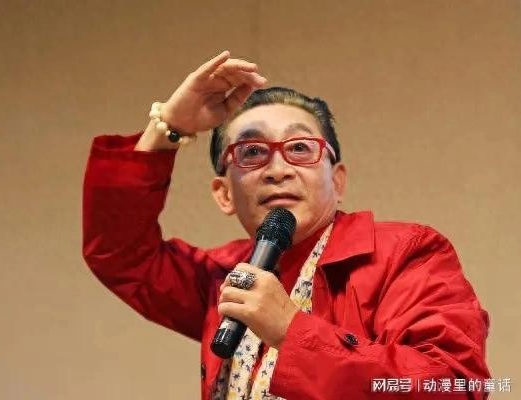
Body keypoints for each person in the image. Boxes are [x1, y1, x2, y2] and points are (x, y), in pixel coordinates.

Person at [82, 51, 490, 399]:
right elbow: (120, 254)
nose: (278, 169)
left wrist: (292, 331)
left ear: (338, 181)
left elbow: (454, 386)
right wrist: (170, 127)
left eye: (299, 148)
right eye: (252, 152)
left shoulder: (405, 254)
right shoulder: (224, 278)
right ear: (224, 194)